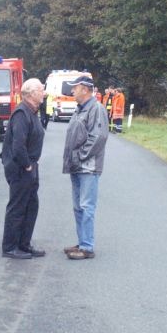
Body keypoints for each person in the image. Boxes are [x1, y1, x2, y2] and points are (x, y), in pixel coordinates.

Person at [62, 74, 108, 260]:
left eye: (75, 87)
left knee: (86, 206)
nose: (72, 90)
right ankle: (82, 242)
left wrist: (80, 156)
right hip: (77, 166)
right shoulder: (80, 109)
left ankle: (87, 247)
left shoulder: (96, 108)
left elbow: (98, 136)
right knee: (78, 207)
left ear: (84, 89)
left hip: (87, 167)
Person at [0, 78, 46, 259]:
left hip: (31, 166)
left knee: (31, 205)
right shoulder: (21, 113)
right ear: (32, 93)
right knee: (18, 207)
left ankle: (24, 244)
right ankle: (10, 247)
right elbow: (18, 145)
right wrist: (27, 164)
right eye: (41, 90)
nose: (44, 93)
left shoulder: (32, 112)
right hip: (20, 168)